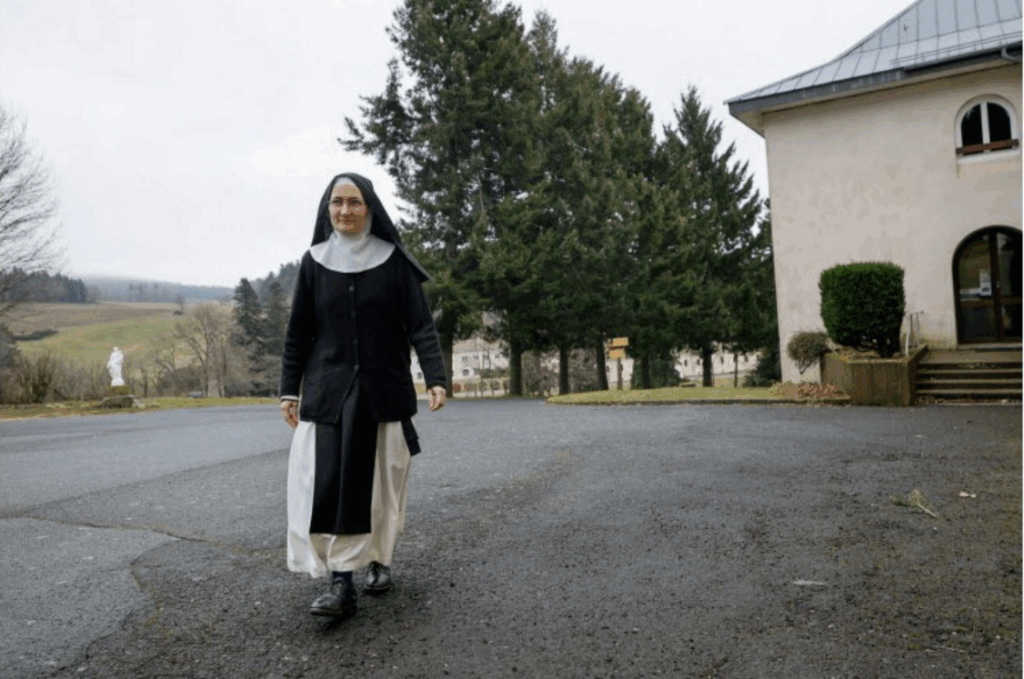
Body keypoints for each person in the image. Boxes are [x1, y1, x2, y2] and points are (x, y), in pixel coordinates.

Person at [279, 172, 447, 617]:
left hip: (382, 391)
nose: (345, 211)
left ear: (369, 208)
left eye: (354, 202)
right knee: (329, 484)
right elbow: (298, 333)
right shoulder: (314, 262)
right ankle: (341, 583)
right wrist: (287, 391)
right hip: (328, 392)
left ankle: (379, 558)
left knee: (381, 486)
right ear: (327, 208)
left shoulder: (393, 262)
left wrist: (436, 377)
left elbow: (420, 326)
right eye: (337, 203)